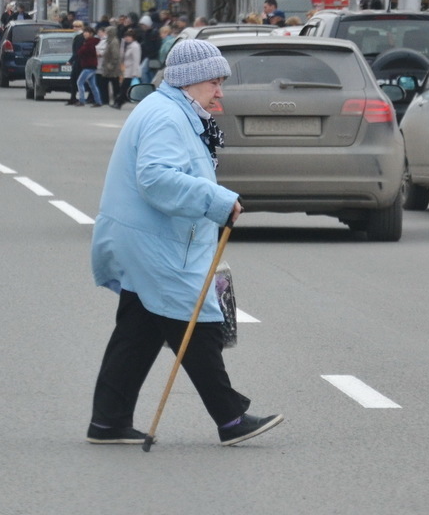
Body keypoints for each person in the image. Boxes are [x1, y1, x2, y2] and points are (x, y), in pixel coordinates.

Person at [87, 38, 283, 446]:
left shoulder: (173, 111)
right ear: (191, 81)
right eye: (214, 82)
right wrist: (218, 200)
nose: (220, 91)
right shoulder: (166, 117)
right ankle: (230, 419)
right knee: (197, 324)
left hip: (151, 237)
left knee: (138, 330)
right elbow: (155, 177)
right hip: (156, 242)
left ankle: (108, 421)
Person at [76, 25, 103, 107]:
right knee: (92, 85)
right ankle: (98, 101)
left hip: (89, 66)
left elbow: (84, 52)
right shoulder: (90, 42)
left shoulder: (90, 43)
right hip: (91, 65)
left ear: (91, 33)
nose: (84, 34)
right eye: (84, 32)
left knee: (80, 82)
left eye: (86, 32)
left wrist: (81, 51)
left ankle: (82, 100)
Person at [115, 27, 141, 109]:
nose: (127, 38)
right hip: (125, 69)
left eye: (128, 37)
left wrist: (135, 72)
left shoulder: (135, 46)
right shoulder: (127, 45)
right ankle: (120, 101)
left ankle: (119, 102)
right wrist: (122, 45)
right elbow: (121, 56)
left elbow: (136, 60)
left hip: (131, 70)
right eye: (126, 37)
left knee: (124, 87)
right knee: (124, 87)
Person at [65, 20, 84, 105]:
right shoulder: (77, 36)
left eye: (77, 26)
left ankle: (76, 98)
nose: (74, 28)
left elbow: (77, 51)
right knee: (75, 80)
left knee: (76, 80)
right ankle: (73, 97)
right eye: (74, 26)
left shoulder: (79, 37)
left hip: (79, 62)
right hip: (78, 61)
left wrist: (70, 60)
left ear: (81, 27)